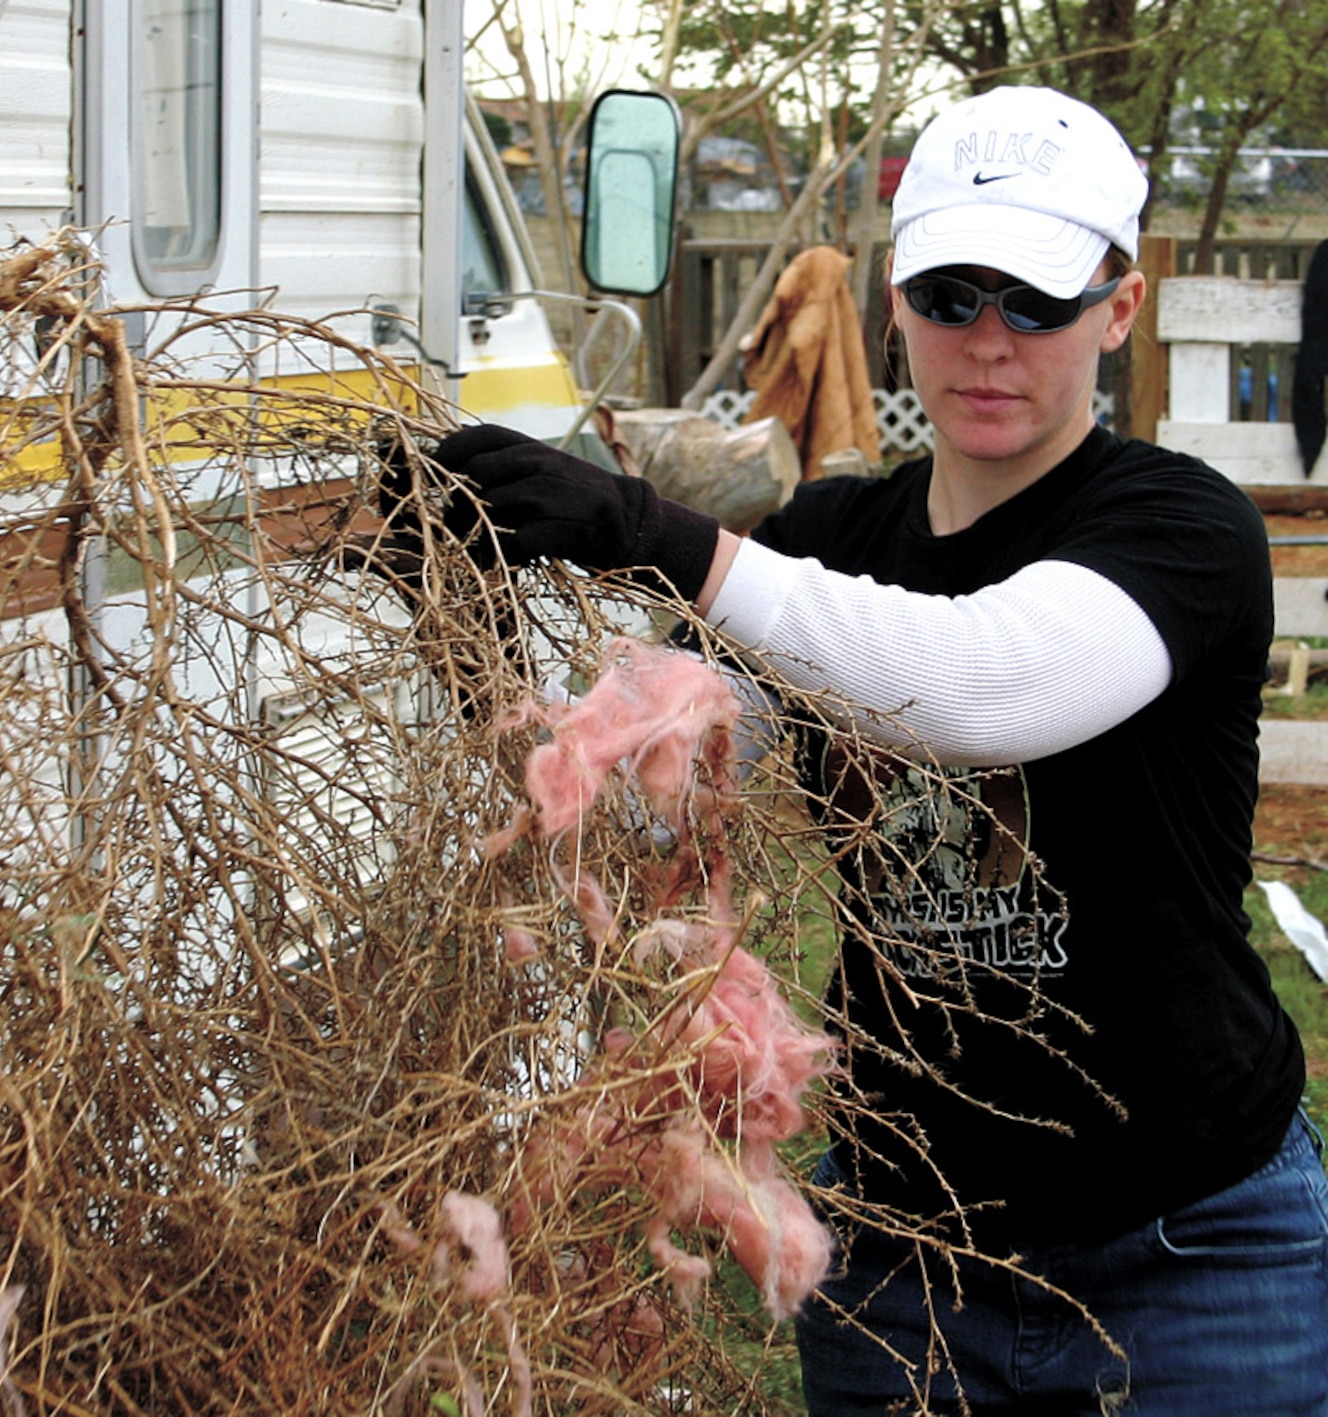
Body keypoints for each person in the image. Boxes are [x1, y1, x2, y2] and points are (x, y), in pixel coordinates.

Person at [427, 86, 1328, 1414]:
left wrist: (650, 528)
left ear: (1116, 311)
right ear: (895, 300)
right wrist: (464, 613)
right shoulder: (833, 537)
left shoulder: (1183, 531)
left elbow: (972, 687)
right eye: (951, 292)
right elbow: (646, 800)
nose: (988, 341)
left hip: (1190, 1254)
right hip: (903, 1266)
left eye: (1036, 300)